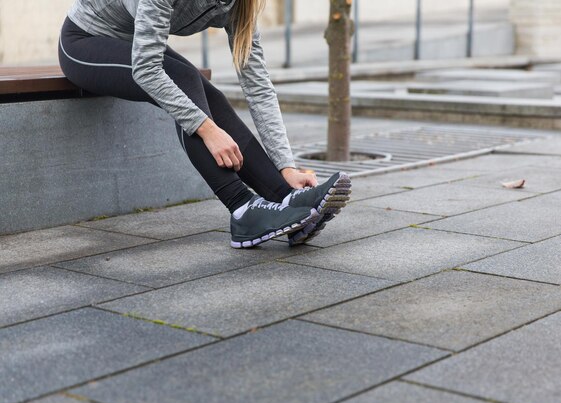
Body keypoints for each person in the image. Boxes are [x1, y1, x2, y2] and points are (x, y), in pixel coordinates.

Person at [58, 0, 351, 248]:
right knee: (183, 81)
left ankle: (286, 198)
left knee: (205, 91)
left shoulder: (239, 4)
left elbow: (257, 84)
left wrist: (286, 167)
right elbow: (147, 69)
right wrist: (207, 129)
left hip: (131, 40)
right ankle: (242, 210)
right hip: (84, 41)